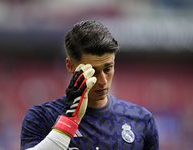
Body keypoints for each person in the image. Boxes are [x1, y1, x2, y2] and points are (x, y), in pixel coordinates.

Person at [20, 20, 159, 150]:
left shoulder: (141, 119)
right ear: (70, 66)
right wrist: (70, 119)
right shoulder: (42, 117)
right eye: (93, 71)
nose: (103, 81)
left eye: (108, 69)